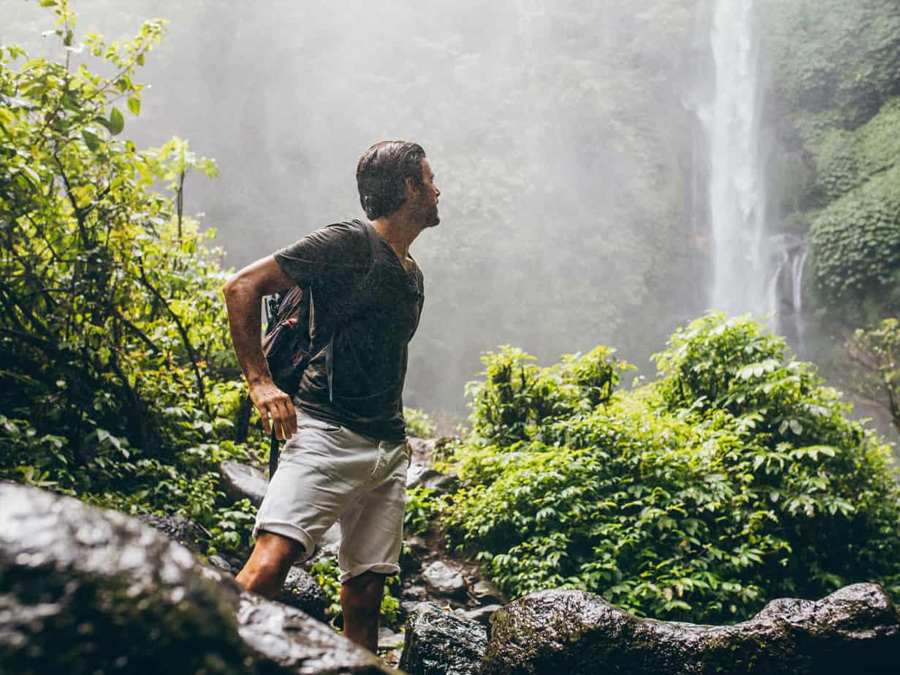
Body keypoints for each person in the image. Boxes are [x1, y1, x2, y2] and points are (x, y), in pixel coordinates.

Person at [221, 141, 439, 652]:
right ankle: (196, 657)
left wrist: (398, 435)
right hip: (325, 435)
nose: (437, 189)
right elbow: (241, 287)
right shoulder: (347, 242)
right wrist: (260, 383)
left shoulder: (412, 273)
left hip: (386, 452)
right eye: (429, 180)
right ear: (409, 188)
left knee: (364, 600)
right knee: (270, 565)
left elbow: (383, 359)